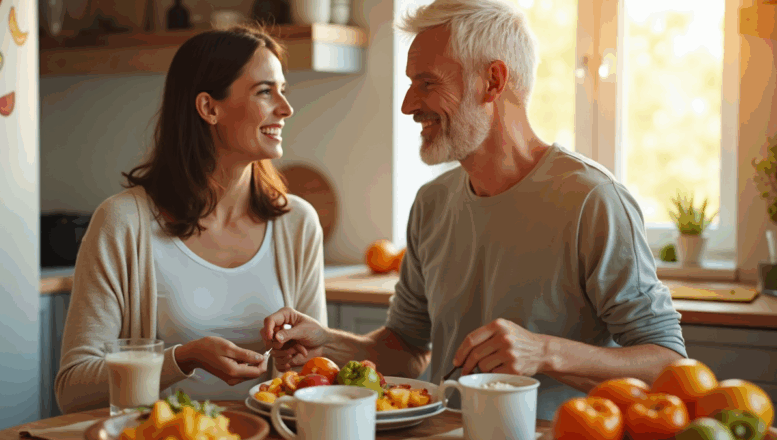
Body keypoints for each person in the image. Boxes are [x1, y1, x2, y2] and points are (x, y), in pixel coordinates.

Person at [261, 0, 687, 420]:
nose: (409, 104)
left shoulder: (593, 200)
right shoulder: (432, 203)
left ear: (493, 81)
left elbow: (668, 367)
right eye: (411, 83)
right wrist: (329, 344)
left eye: (427, 83)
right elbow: (406, 349)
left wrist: (544, 352)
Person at [54, 25, 328, 414]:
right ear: (208, 108)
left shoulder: (297, 223)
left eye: (283, 90)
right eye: (265, 91)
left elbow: (313, 378)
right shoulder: (122, 223)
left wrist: (295, 364)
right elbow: (72, 389)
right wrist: (181, 359)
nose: (285, 108)